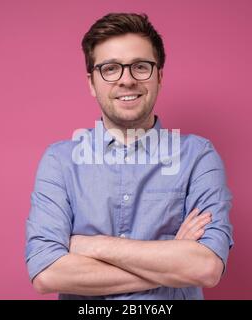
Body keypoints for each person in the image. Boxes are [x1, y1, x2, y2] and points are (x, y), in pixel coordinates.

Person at [25, 12, 233, 300]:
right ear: (91, 82)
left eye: (140, 66)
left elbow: (205, 267)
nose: (127, 80)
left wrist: (92, 246)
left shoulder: (198, 156)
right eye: (110, 69)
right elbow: (47, 273)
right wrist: (172, 261)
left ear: (159, 76)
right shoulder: (60, 161)